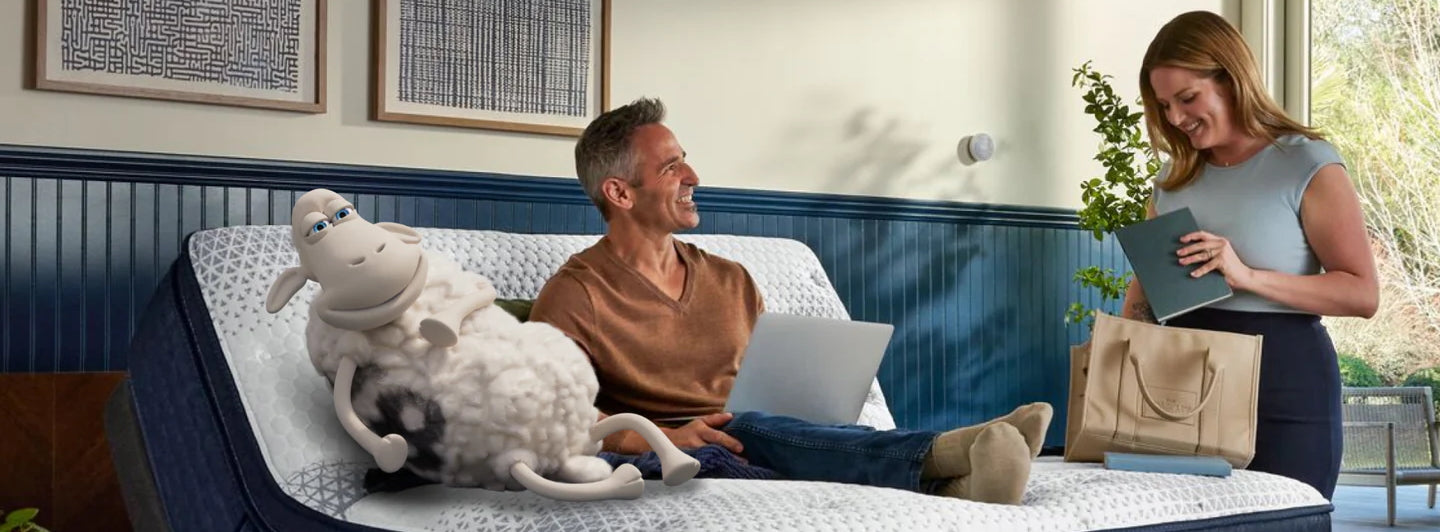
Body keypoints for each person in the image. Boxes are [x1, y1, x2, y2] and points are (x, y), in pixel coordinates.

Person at [529, 97, 1053, 505]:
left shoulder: (730, 278)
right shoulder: (576, 293)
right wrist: (660, 438)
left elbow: (772, 379)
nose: (693, 177)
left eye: (685, 161)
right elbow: (550, 414)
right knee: (745, 431)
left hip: (769, 432)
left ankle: (959, 486)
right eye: (671, 168)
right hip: (686, 448)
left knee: (762, 426)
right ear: (620, 193)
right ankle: (960, 447)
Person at [1125, 11, 1379, 500]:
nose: (1175, 118)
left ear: (1231, 78)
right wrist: (1120, 357)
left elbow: (1362, 294)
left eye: (1187, 98)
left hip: (1284, 388)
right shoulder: (1170, 181)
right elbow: (1145, 292)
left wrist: (1245, 275)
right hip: (1181, 389)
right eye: (1164, 105)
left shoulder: (1306, 163)